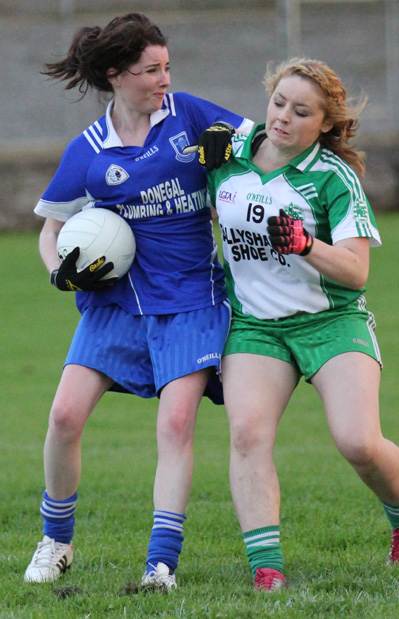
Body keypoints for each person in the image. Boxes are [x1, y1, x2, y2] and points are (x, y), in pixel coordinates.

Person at [24, 12, 252, 590]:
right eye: (152, 70)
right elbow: (51, 232)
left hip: (191, 300)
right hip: (115, 306)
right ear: (115, 74)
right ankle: (55, 541)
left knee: (176, 424)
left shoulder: (191, 116)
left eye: (167, 67)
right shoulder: (88, 150)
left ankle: (160, 563)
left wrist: (234, 149)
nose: (164, 80)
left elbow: (262, 143)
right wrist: (61, 275)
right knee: (63, 416)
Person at [206, 58, 399, 591]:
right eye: (278, 102)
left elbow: (355, 272)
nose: (283, 117)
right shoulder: (226, 156)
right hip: (256, 327)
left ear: (326, 124)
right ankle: (267, 569)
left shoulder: (333, 178)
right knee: (247, 435)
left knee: (359, 443)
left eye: (301, 111)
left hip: (331, 321)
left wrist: (307, 244)